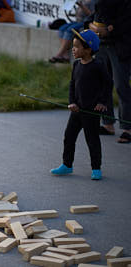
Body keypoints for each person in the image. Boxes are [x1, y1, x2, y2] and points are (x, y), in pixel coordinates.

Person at [51, 29, 111, 180]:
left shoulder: (98, 65)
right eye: (73, 46)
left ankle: (96, 168)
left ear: (88, 49)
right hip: (77, 110)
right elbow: (72, 85)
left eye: (77, 46)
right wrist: (71, 102)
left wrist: (102, 102)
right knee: (69, 137)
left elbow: (108, 84)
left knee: (92, 140)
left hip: (91, 111)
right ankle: (67, 164)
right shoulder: (77, 65)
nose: (73, 49)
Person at [85, 0, 131, 143]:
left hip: (120, 46)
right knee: (103, 85)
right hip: (102, 45)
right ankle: (108, 124)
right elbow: (95, 15)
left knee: (121, 86)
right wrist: (90, 25)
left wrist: (110, 29)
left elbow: (127, 21)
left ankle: (127, 128)